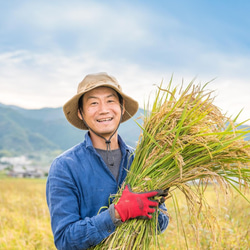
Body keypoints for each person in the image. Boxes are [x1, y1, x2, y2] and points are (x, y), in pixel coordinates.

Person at [46, 72, 169, 250]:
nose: (103, 109)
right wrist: (117, 213)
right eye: (93, 103)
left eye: (110, 101)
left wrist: (155, 205)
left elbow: (160, 227)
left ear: (122, 107)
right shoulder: (65, 166)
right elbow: (65, 240)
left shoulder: (141, 162)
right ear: (80, 112)